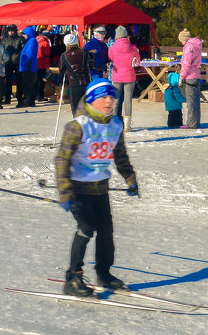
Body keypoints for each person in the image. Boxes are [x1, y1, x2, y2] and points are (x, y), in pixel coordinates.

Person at [54, 78, 138, 298]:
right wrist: (64, 192)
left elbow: (120, 155)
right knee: (86, 228)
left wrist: (130, 178)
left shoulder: (115, 125)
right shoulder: (78, 126)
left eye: (112, 97)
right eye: (104, 97)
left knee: (106, 231)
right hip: (78, 188)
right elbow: (62, 159)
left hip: (101, 188)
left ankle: (104, 273)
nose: (109, 101)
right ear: (92, 100)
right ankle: (72, 277)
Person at [107, 26, 140, 130]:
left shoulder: (112, 48)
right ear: (126, 35)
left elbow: (110, 58)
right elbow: (137, 62)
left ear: (116, 36)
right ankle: (127, 125)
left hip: (117, 76)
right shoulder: (133, 47)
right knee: (128, 100)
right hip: (130, 76)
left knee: (115, 100)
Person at [179, 29, 203, 130]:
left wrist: (181, 77)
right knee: (196, 102)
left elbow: (186, 64)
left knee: (191, 102)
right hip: (196, 75)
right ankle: (196, 122)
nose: (181, 43)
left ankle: (191, 124)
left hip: (190, 77)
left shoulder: (188, 47)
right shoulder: (196, 45)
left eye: (181, 40)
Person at [59, 33, 90, 113]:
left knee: (75, 109)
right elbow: (92, 64)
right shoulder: (84, 52)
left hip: (74, 85)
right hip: (86, 84)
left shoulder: (64, 56)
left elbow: (61, 71)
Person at [18, 26, 41, 108]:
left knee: (28, 85)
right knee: (30, 85)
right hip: (29, 67)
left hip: (28, 67)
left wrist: (23, 62)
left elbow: (29, 54)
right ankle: (30, 101)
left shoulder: (32, 41)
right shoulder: (30, 41)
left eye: (24, 35)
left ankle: (28, 101)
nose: (23, 36)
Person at [2, 25, 23, 105]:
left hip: (17, 62)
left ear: (15, 31)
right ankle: (7, 98)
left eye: (12, 30)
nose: (11, 32)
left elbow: (23, 50)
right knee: (8, 81)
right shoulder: (4, 40)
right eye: (9, 30)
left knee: (19, 81)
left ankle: (19, 98)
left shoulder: (20, 39)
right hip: (8, 62)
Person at [36, 28, 52, 101]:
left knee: (36, 80)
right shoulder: (45, 43)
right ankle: (40, 96)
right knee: (42, 81)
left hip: (35, 64)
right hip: (42, 65)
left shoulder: (36, 40)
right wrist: (47, 67)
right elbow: (46, 57)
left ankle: (36, 95)